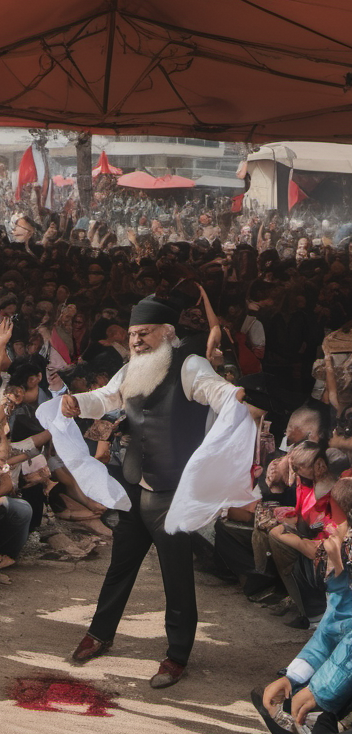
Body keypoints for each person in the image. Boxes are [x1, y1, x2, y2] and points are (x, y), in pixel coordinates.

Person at [61, 295, 246, 688]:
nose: (136, 341)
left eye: (144, 333)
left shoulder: (190, 364)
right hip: (134, 482)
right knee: (120, 565)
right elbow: (107, 397)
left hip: (170, 488)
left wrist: (234, 396)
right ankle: (100, 633)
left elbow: (215, 391)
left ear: (167, 333)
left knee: (175, 575)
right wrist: (77, 402)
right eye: (132, 334)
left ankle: (177, 655)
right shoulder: (131, 368)